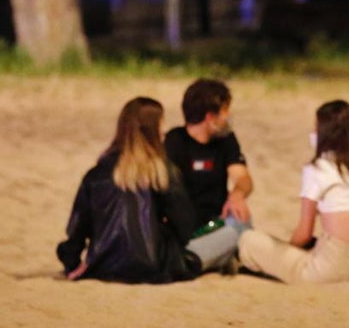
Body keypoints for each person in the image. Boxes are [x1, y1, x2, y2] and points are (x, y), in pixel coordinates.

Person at [237, 100, 349, 283]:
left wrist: (286, 250)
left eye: (316, 129)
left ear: (326, 134)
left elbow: (303, 233)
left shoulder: (319, 169)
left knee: (249, 240)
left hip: (329, 270)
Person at [57, 97, 200, 284]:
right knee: (230, 233)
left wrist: (73, 263)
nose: (164, 131)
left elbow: (78, 227)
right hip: (155, 266)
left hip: (104, 266)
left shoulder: (96, 174)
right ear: (152, 130)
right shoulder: (162, 171)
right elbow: (185, 226)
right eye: (161, 125)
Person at [164, 79, 254, 273]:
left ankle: (197, 258)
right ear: (210, 116)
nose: (228, 117)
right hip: (183, 226)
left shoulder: (226, 140)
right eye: (225, 111)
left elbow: (243, 178)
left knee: (242, 220)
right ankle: (206, 257)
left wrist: (237, 194)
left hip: (216, 222)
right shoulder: (174, 141)